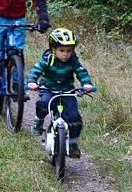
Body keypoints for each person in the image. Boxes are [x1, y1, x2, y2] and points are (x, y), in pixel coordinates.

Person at [26, 27, 95, 158]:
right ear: (53, 49)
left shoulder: (73, 60)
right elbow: (36, 70)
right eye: (62, 50)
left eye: (69, 51)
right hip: (49, 89)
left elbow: (81, 71)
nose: (66, 54)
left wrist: (86, 84)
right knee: (43, 103)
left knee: (74, 118)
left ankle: (73, 143)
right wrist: (32, 81)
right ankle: (38, 121)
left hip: (67, 90)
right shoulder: (48, 58)